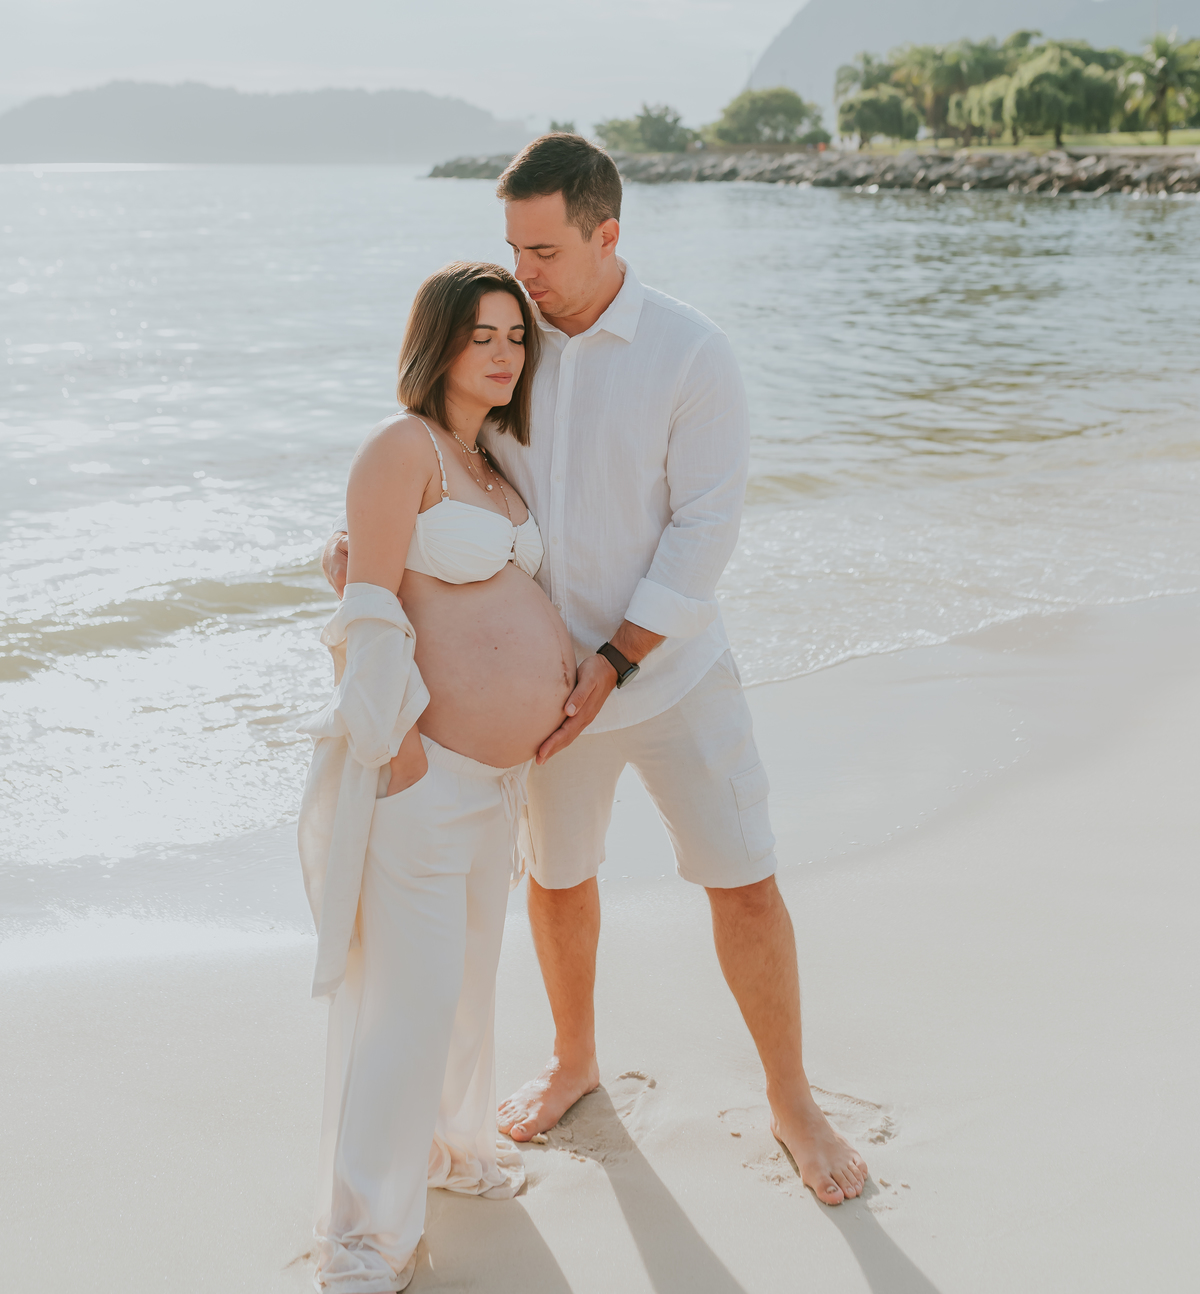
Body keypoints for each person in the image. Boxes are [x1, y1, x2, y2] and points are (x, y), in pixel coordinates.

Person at [324, 133, 868, 1207]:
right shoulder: (507, 353)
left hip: (667, 675)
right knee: (561, 880)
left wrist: (616, 661)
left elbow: (706, 528)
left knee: (743, 878)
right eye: (512, 246)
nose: (522, 272)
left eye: (543, 249)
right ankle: (576, 1057)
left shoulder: (689, 351)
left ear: (606, 233)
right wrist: (353, 559)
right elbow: (432, 471)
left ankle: (791, 1095)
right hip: (546, 713)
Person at [298, 260, 579, 1294]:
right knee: (409, 1006)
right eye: (483, 334)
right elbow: (365, 610)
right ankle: (364, 1240)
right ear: (439, 344)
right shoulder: (399, 447)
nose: (504, 351)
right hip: (421, 772)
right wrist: (404, 749)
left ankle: (454, 1151)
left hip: (491, 787)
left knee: (463, 991)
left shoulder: (496, 467)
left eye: (515, 335)